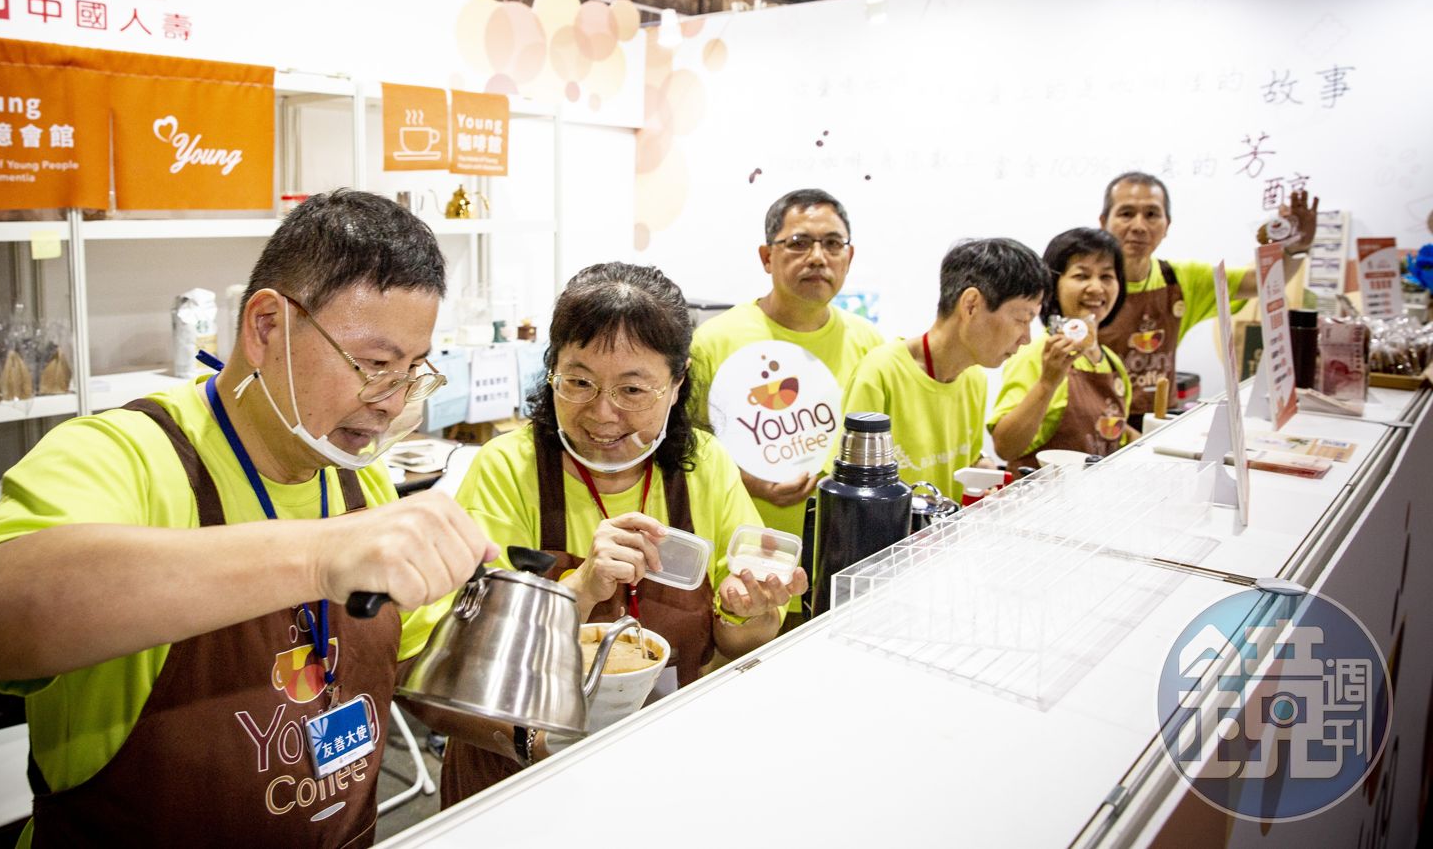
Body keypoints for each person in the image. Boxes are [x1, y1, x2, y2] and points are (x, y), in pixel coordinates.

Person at [0, 191, 496, 848]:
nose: (392, 402)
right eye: (373, 365)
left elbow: (420, 662)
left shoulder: (357, 480)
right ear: (266, 328)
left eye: (412, 371)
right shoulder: (125, 456)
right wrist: (317, 557)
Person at [417, 261, 807, 808]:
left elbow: (737, 643)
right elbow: (458, 665)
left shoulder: (705, 466)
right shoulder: (507, 468)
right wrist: (578, 589)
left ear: (677, 383)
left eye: (632, 389)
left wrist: (752, 612)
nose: (602, 414)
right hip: (522, 775)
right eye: (579, 382)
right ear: (551, 371)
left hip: (664, 765)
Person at [687, 188, 882, 606]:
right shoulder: (713, 342)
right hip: (742, 575)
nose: (818, 257)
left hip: (843, 564)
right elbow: (682, 451)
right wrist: (753, 482)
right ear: (766, 257)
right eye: (798, 243)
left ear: (849, 256)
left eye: (833, 244)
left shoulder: (870, 343)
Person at [1098, 171, 1318, 425]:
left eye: (1151, 214)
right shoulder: (1085, 284)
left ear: (1167, 225)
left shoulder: (1181, 279)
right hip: (1097, 421)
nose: (1138, 226)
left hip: (1156, 421)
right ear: (1104, 221)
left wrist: (1296, 248)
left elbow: (1258, 282)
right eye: (1126, 213)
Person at [843, 238, 1047, 501]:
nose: (1026, 338)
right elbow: (853, 492)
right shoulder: (881, 373)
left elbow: (968, 461)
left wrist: (983, 472)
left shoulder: (974, 377)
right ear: (971, 305)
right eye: (1022, 319)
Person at [990, 228, 1132, 470]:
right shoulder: (1036, 354)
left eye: (1107, 276)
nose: (1096, 288)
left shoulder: (1113, 363)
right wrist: (1047, 382)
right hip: (1042, 491)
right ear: (1053, 285)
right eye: (1081, 276)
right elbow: (1005, 447)